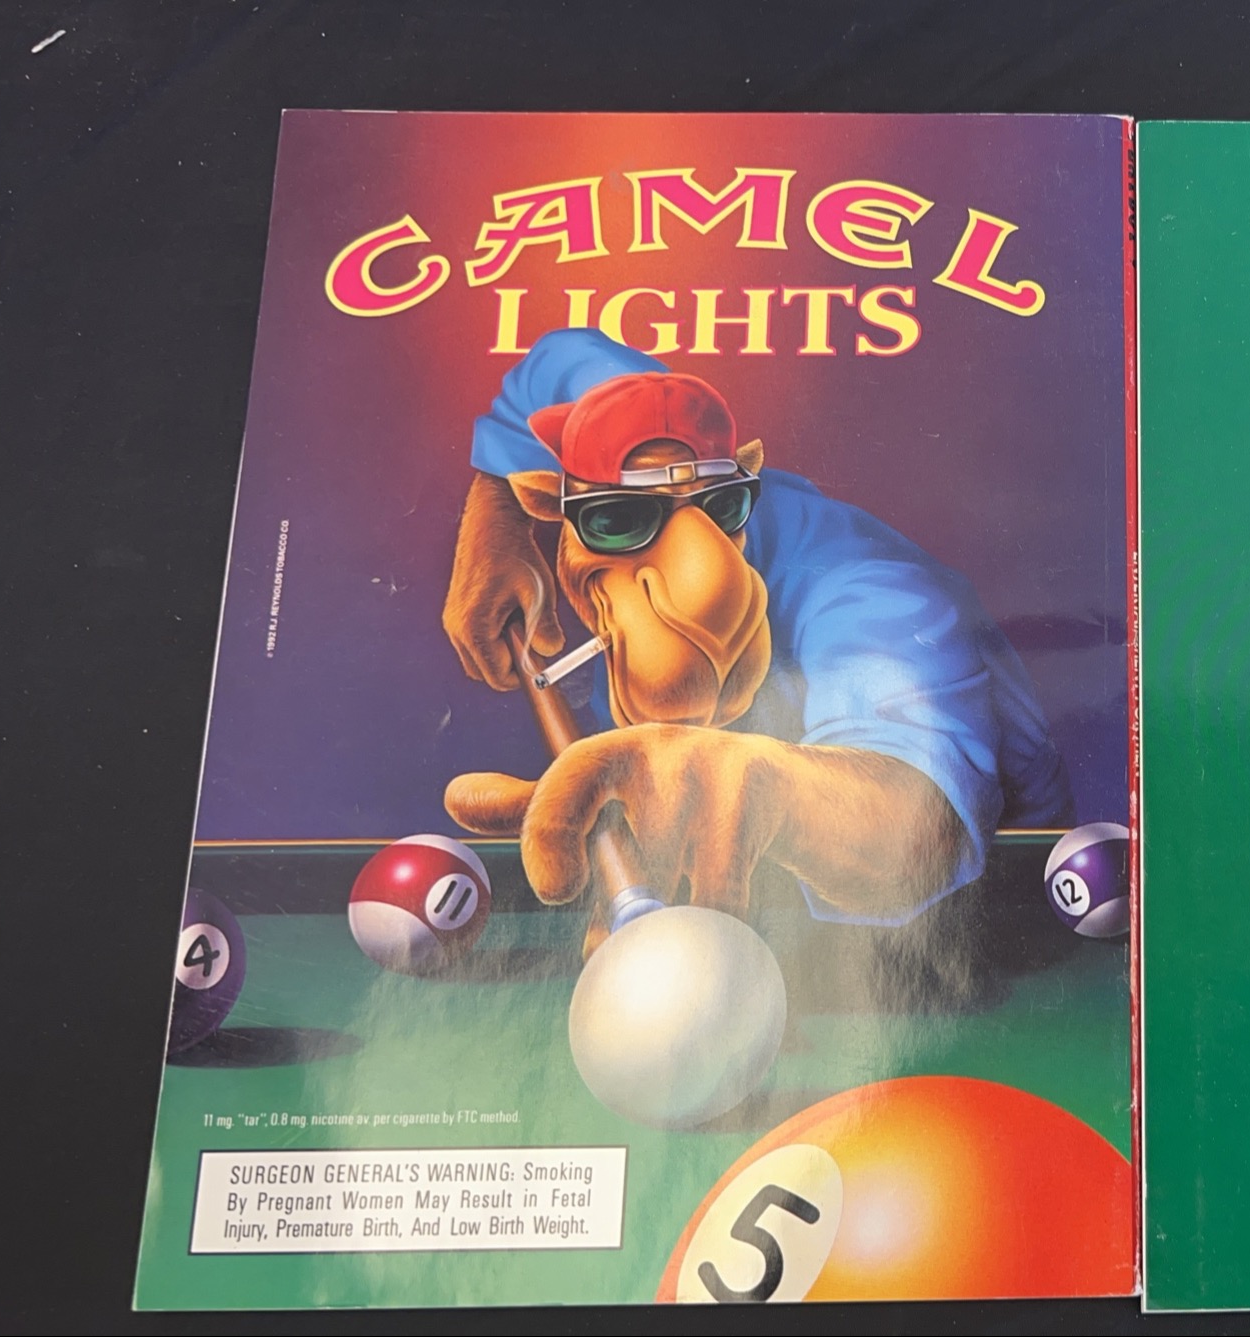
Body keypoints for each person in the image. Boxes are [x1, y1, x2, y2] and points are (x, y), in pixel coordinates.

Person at [441, 328, 1070, 928]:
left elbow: (921, 827)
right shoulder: (641, 415)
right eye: (614, 519)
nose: (693, 560)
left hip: (990, 907)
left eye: (722, 507)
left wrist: (767, 787)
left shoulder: (877, 599)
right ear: (552, 499)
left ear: (744, 486)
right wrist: (495, 520)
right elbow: (558, 357)